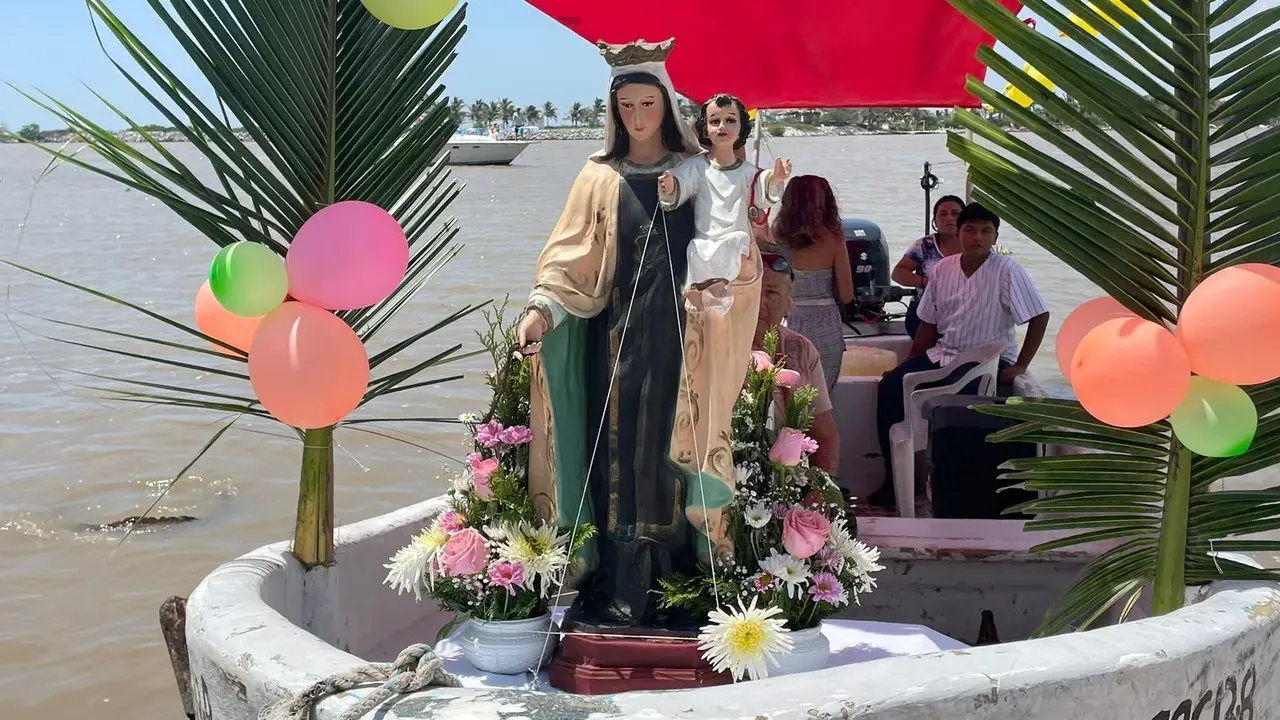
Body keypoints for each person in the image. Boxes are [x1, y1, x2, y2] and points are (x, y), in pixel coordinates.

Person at [515, 39, 761, 628]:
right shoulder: (598, 177)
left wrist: (741, 267)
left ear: (667, 106)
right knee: (620, 453)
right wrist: (543, 308)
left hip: (685, 339)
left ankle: (689, 580)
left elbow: (732, 239)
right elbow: (569, 259)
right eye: (626, 106)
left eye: (648, 103)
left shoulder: (694, 171)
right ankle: (617, 581)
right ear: (613, 112)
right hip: (616, 339)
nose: (638, 116)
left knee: (676, 451)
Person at [870, 202, 1049, 509]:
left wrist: (1020, 366)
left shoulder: (1007, 269)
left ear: (994, 236)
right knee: (889, 388)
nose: (977, 237)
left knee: (956, 406)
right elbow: (928, 324)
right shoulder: (942, 269)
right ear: (958, 232)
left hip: (989, 362)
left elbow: (1039, 316)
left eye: (985, 231)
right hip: (945, 354)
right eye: (970, 230)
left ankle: (953, 484)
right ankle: (892, 478)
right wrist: (908, 365)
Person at [658, 93, 790, 315]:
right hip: (706, 236)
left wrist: (776, 178)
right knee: (696, 250)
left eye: (730, 120)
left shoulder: (746, 172)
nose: (722, 127)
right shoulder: (697, 167)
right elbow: (680, 183)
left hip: (734, 235)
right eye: (714, 121)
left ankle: (720, 283)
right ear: (705, 128)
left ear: (741, 127)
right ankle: (696, 289)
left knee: (736, 242)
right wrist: (671, 186)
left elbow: (762, 189)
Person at [755, 244, 841, 478]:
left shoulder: (801, 350)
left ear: (788, 305)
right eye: (751, 292)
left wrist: (820, 492)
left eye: (771, 293)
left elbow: (824, 435)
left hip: (787, 477)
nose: (759, 303)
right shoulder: (716, 349)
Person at [770, 175, 854, 392]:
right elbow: (846, 294)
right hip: (825, 327)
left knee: (787, 400)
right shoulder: (834, 240)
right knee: (820, 401)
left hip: (788, 321)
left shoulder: (774, 237)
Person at [892, 195, 966, 337]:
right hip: (923, 312)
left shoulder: (975, 246)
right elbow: (898, 273)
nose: (949, 218)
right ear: (935, 222)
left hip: (965, 313)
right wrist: (928, 283)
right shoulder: (925, 245)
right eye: (943, 214)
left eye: (955, 214)